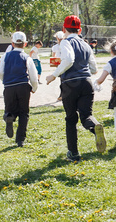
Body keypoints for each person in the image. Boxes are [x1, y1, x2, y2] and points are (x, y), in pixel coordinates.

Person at [46, 15, 106, 162]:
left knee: (71, 119)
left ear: (64, 29)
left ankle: (73, 153)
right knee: (86, 115)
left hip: (70, 84)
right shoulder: (86, 45)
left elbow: (69, 60)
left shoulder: (66, 42)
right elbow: (94, 68)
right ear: (79, 30)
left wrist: (53, 75)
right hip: (86, 82)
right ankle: (95, 127)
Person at [0, 31, 38, 147]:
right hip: (23, 87)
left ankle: (10, 117)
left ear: (12, 43)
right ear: (25, 44)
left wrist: (5, 81)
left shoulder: (6, 56)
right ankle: (20, 140)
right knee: (24, 113)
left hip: (9, 87)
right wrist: (34, 88)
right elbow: (33, 76)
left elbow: (0, 71)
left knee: (10, 108)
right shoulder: (27, 58)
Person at [52, 31, 65, 101]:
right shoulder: (67, 45)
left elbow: (53, 58)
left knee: (62, 80)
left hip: (59, 65)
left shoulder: (55, 47)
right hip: (66, 64)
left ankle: (62, 94)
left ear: (57, 38)